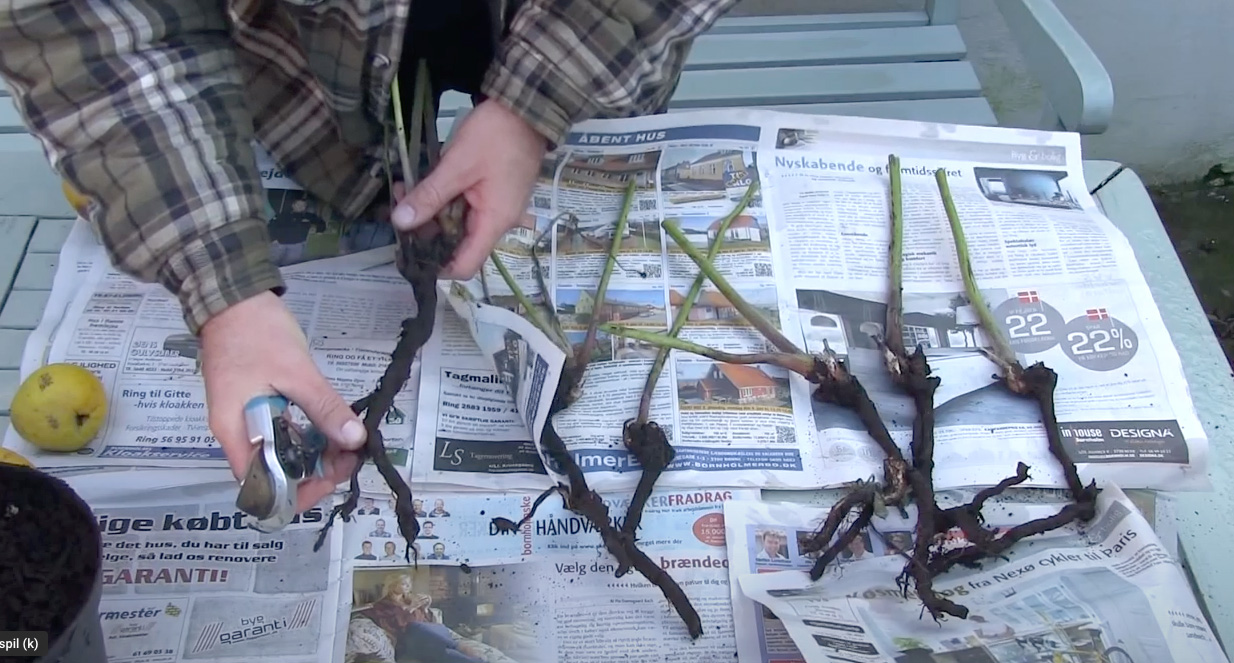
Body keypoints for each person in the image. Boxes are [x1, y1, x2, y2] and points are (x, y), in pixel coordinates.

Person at [0, 0, 742, 517]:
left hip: (589, 50)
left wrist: (531, 111)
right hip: (306, 77)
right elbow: (84, 29)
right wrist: (228, 297)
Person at [358, 574, 486, 663]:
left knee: (442, 652)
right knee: (414, 626)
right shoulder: (382, 605)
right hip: (409, 641)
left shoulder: (410, 600)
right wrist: (411, 609)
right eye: (404, 583)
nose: (408, 587)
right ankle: (457, 646)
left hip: (428, 639)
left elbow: (428, 623)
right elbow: (397, 626)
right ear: (392, 585)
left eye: (409, 584)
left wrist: (425, 608)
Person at [268, 197, 327, 266]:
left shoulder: (308, 216)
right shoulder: (283, 215)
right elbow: (271, 226)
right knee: (272, 265)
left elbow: (321, 222)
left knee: (291, 266)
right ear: (293, 205)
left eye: (303, 206)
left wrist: (319, 230)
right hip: (279, 244)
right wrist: (273, 239)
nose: (300, 207)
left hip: (297, 246)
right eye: (298, 205)